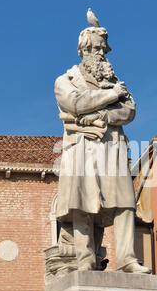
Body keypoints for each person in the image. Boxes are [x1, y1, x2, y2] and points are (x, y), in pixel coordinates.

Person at [54, 24, 150, 274]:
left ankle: (127, 259)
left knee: (125, 202)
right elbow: (75, 103)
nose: (99, 53)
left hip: (113, 148)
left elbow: (129, 111)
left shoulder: (115, 81)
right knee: (83, 202)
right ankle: (85, 258)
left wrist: (102, 117)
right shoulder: (65, 81)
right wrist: (111, 96)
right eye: (94, 48)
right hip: (82, 150)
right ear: (83, 50)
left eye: (102, 48)